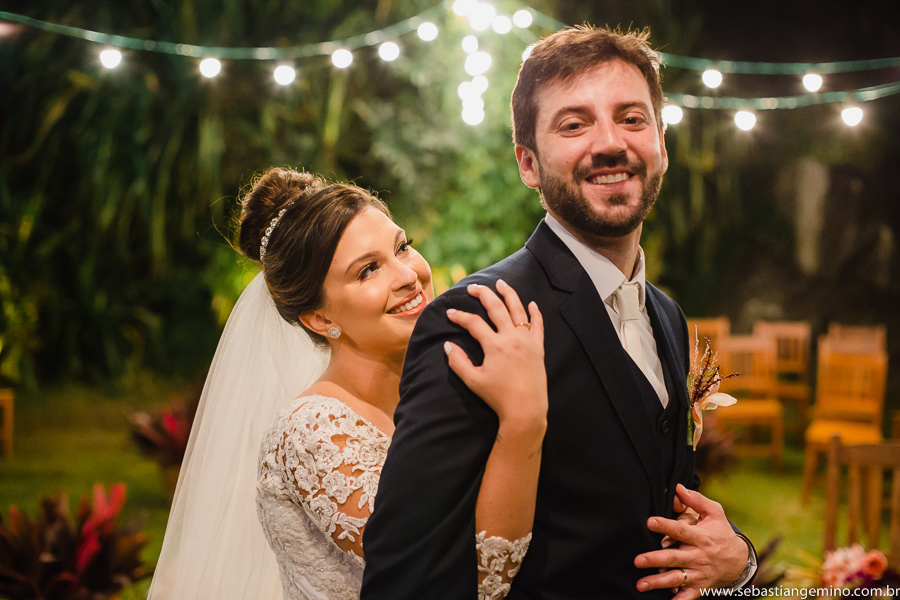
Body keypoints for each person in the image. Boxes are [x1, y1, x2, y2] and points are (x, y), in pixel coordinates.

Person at [361, 26, 757, 600]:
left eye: (632, 118)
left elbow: (670, 504)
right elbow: (404, 578)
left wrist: (736, 558)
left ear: (662, 146)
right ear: (528, 164)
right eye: (574, 124)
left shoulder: (668, 317)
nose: (610, 143)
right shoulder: (477, 320)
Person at [150, 168, 547, 600]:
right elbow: (467, 581)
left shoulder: (457, 383)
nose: (408, 275)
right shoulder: (313, 433)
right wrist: (523, 420)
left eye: (403, 247)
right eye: (368, 270)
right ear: (319, 318)